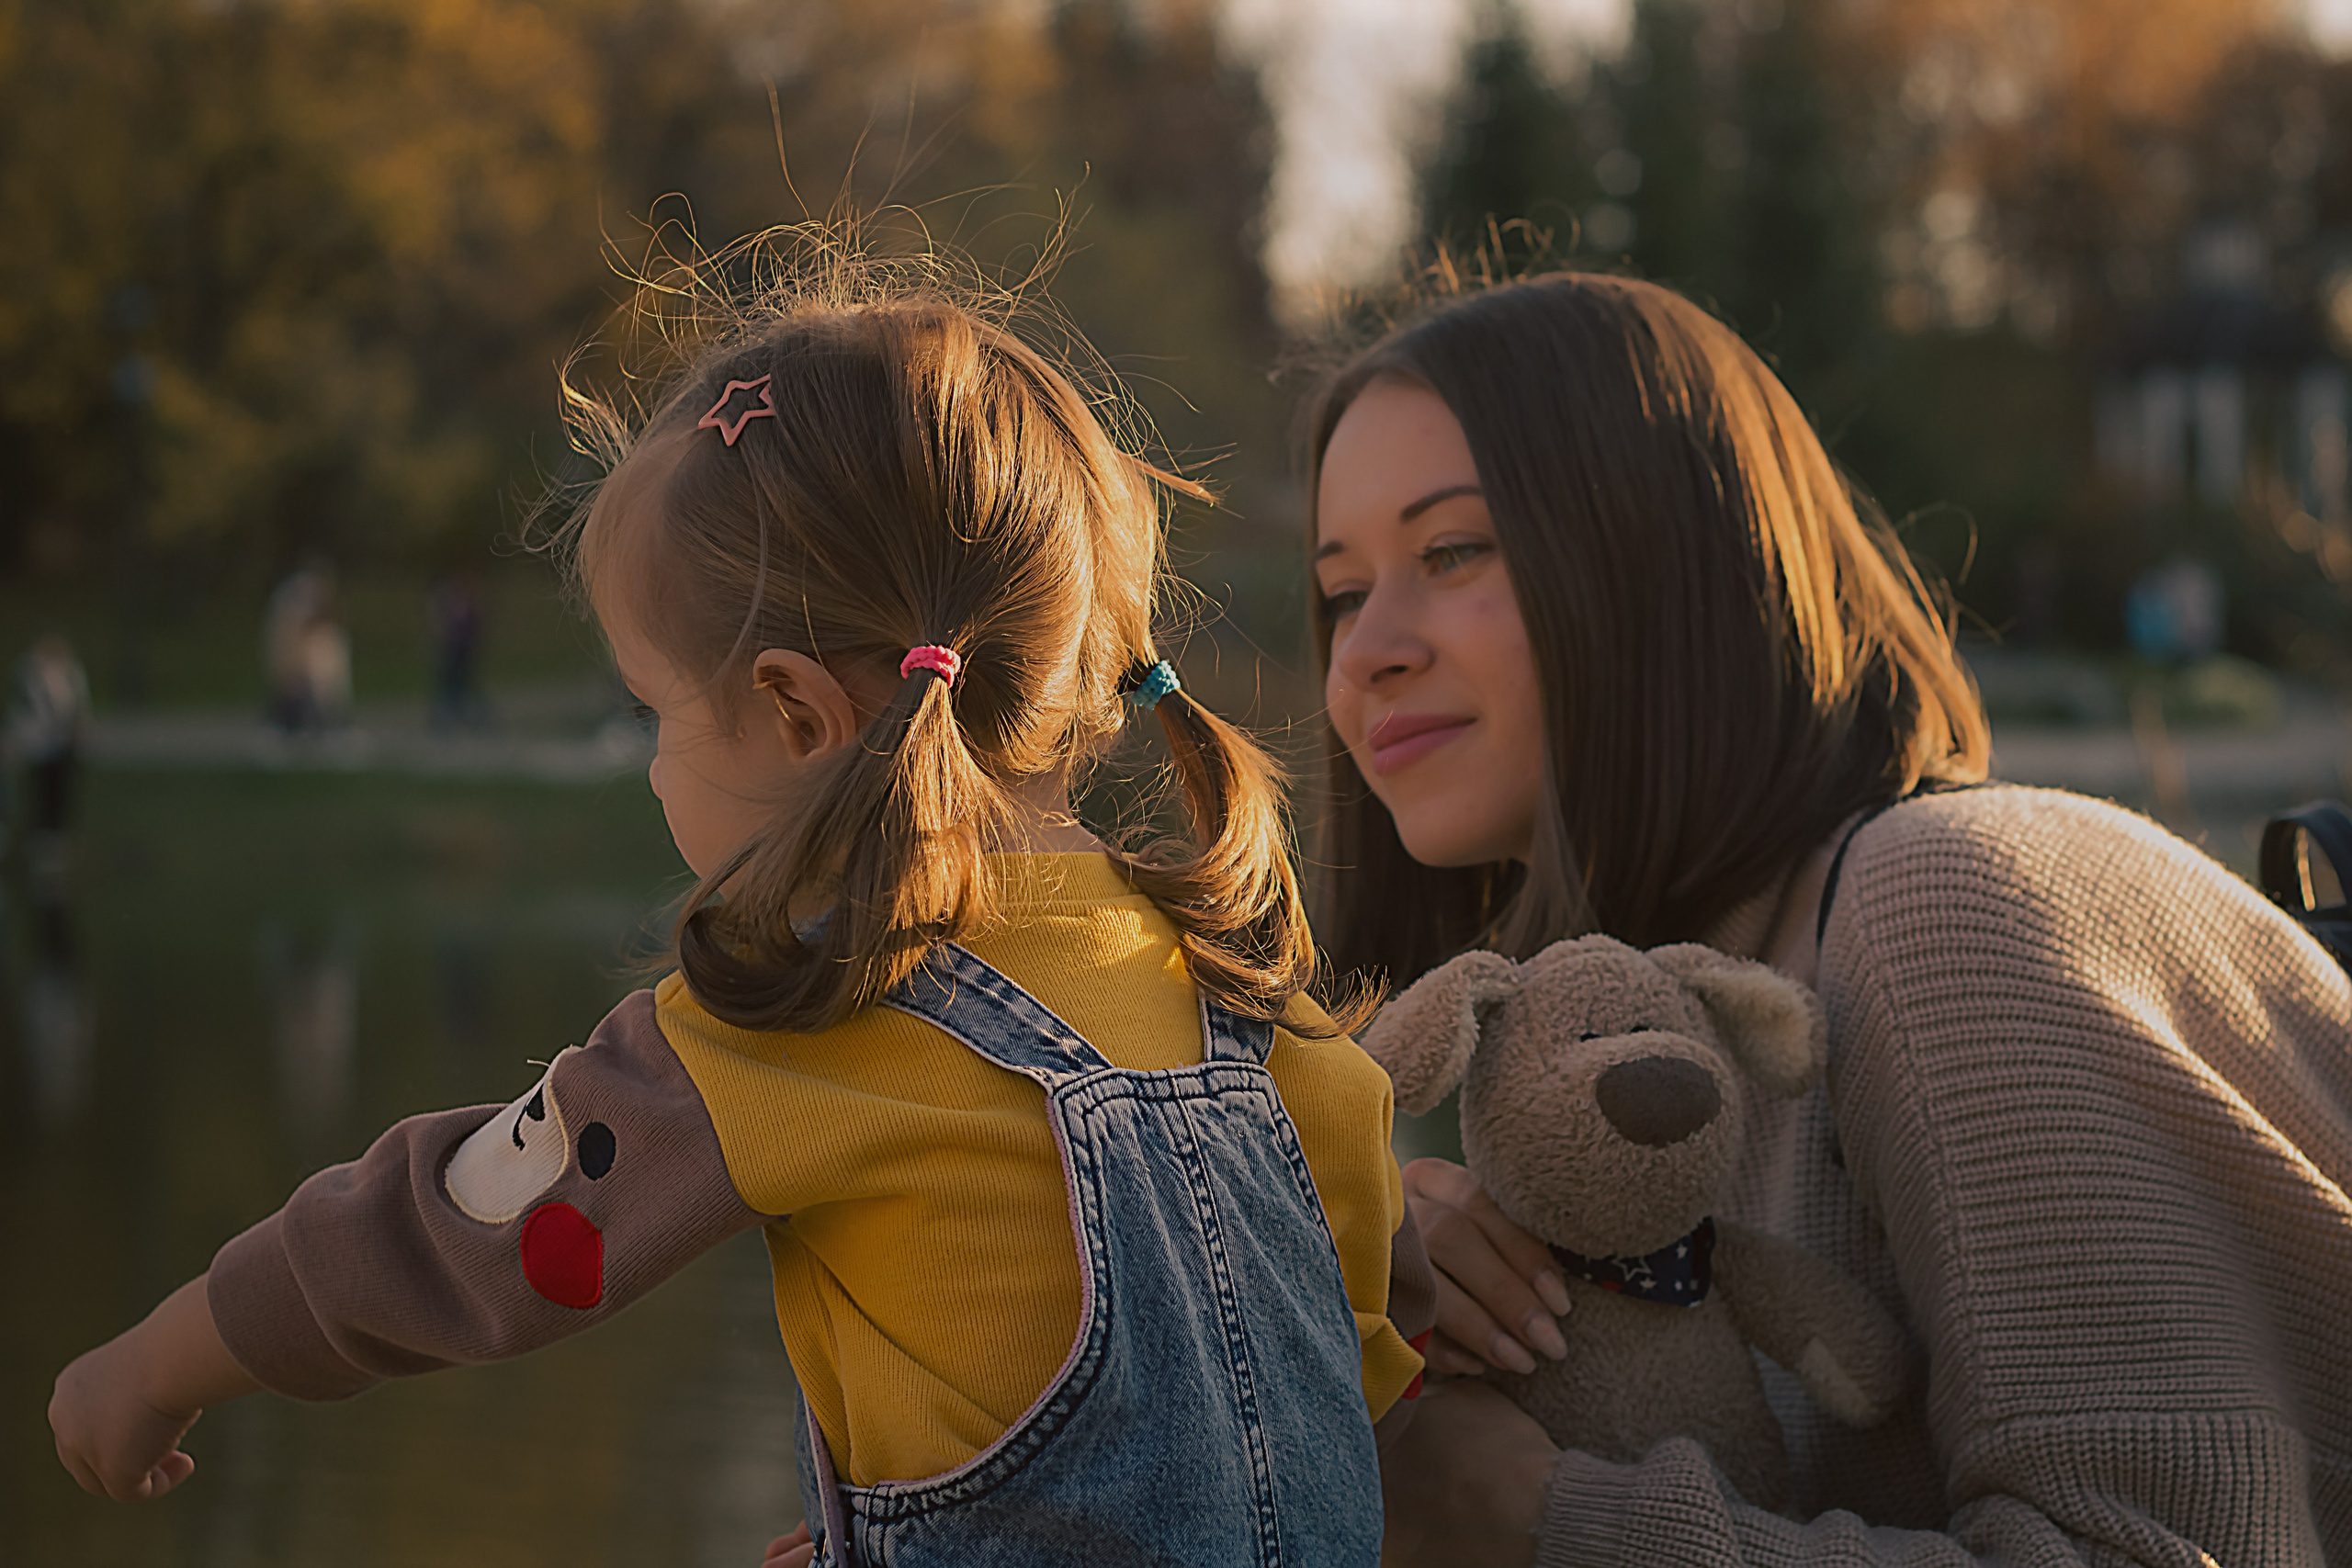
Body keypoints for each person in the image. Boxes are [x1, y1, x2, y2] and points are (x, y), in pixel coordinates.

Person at [50, 256, 1431, 1568]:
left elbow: (448, 1244)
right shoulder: (1265, 1017)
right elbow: (1308, 1410)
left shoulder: (802, 1020)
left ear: (792, 712)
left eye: (658, 711)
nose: (654, 761)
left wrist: (163, 1360)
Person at [1302, 271, 2352, 1563]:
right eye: (1343, 591)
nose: (1365, 653)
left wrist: (1542, 1518)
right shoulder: (1614, 1042)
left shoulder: (1941, 910)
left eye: (1452, 550)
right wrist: (1371, 1298)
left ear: (1659, 559)